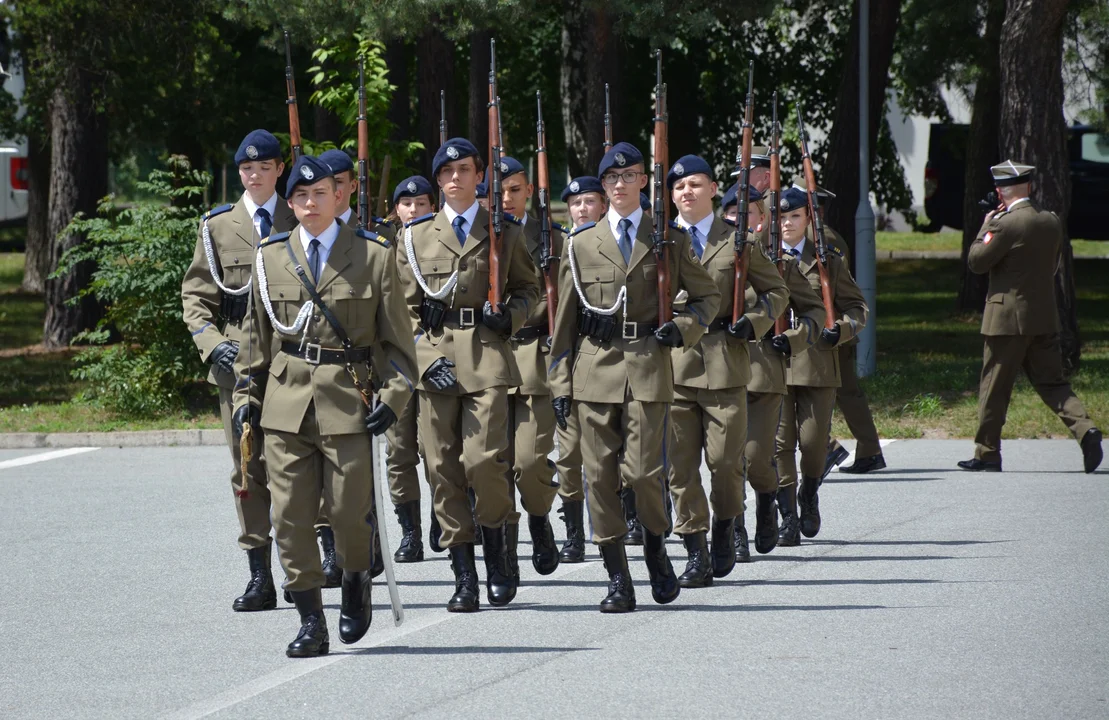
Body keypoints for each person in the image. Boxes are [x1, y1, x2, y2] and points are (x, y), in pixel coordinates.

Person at [231, 154, 418, 657]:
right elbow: (256, 337)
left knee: (349, 513)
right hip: (285, 402)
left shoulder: (373, 256)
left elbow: (400, 343)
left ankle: (357, 579)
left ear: (339, 197)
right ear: (289, 203)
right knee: (290, 516)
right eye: (300, 197)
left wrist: (395, 396)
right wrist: (246, 396)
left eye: (319, 194)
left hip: (347, 399)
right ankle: (311, 618)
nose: (309, 204)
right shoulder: (271, 255)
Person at [549, 141, 721, 613]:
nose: (619, 185)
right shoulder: (581, 243)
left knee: (645, 473)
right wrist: (559, 384)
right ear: (602, 189)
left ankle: (654, 548)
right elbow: (562, 322)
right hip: (593, 369)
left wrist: (682, 328)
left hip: (648, 365)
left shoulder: (668, 240)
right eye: (611, 180)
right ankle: (617, 577)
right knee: (599, 476)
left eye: (628, 177)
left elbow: (708, 299)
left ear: (644, 181)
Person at [396, 137, 541, 612]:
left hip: (486, 355)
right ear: (438, 182)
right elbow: (401, 312)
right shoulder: (415, 237)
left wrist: (511, 318)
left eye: (464, 169)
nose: (455, 178)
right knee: (442, 468)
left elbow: (528, 290)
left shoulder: (504, 231)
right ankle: (464, 575)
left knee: (484, 461)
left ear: (480, 176)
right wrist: (422, 359)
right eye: (446, 171)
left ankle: (499, 556)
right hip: (434, 361)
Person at [181, 129, 296, 613]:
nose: (254, 176)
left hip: (293, 364)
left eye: (264, 168)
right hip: (238, 366)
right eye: (247, 169)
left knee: (296, 467)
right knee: (248, 468)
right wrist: (212, 346)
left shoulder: (302, 216)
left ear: (279, 170)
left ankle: (303, 566)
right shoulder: (218, 227)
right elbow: (195, 298)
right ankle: (259, 576)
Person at [665, 156, 789, 587]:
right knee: (680, 468)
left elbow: (776, 292)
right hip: (675, 365)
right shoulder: (659, 241)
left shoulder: (737, 240)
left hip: (725, 361)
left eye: (695, 184)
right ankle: (695, 549)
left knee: (723, 463)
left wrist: (753, 322)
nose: (687, 192)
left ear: (714, 189)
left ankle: (724, 527)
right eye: (679, 187)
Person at [958, 160, 1102, 474]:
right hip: (1043, 316)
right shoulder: (1050, 221)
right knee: (1053, 382)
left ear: (999, 191)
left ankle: (987, 453)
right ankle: (1085, 429)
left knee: (994, 388)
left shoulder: (1004, 224)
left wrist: (985, 225)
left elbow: (976, 261)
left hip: (1006, 320)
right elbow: (1053, 265)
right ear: (1030, 186)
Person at [721, 182, 826, 561]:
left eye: (746, 215)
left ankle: (767, 497)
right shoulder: (704, 256)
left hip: (761, 372)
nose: (738, 221)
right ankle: (733, 529)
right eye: (731, 215)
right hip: (716, 372)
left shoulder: (778, 262)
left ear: (762, 221)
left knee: (754, 458)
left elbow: (815, 311)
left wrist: (794, 339)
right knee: (724, 460)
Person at [775, 187, 868, 545]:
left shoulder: (827, 259)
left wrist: (840, 331)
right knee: (779, 444)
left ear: (808, 219)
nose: (786, 224)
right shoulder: (763, 257)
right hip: (775, 362)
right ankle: (787, 515)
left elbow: (858, 308)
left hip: (816, 361)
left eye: (794, 216)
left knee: (813, 443)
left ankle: (809, 492)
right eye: (781, 217)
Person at [791, 177, 886, 476]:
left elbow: (837, 290)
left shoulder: (823, 239)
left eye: (798, 209)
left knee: (837, 393)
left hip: (832, 332)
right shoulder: (813, 235)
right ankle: (862, 449)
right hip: (826, 330)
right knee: (846, 392)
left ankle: (833, 448)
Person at [496, 155, 562, 578]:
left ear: (529, 193)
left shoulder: (551, 239)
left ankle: (539, 519)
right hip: (488, 362)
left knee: (530, 462)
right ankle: (505, 550)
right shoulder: (478, 237)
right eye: (499, 191)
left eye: (515, 190)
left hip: (535, 363)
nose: (506, 199)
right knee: (492, 464)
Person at [375, 175, 437, 563]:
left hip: (432, 359)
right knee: (399, 452)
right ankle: (410, 531)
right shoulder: (380, 246)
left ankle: (444, 519)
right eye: (406, 204)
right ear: (395, 209)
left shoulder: (442, 242)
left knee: (436, 451)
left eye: (421, 204)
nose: (413, 211)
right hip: (394, 365)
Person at [553, 175, 607, 563]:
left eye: (590, 201)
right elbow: (562, 325)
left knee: (613, 455)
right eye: (576, 204)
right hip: (572, 362)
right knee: (568, 453)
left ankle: (626, 518)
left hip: (613, 362)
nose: (583, 209)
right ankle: (573, 531)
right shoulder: (564, 247)